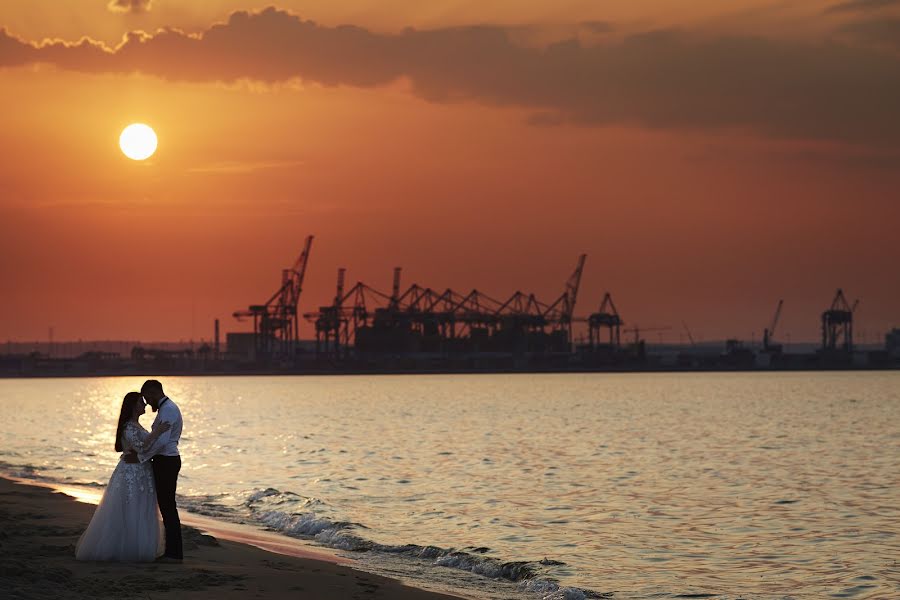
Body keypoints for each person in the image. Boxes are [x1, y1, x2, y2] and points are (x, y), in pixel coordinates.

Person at [75, 392, 171, 561]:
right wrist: (157, 432)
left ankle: (139, 548)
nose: (145, 405)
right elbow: (141, 447)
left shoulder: (136, 425)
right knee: (131, 507)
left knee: (141, 507)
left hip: (141, 472)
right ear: (134, 406)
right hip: (131, 473)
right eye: (142, 402)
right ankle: (127, 549)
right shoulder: (129, 427)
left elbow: (144, 449)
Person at [127, 379, 184, 562]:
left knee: (168, 507)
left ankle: (174, 554)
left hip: (167, 461)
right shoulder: (166, 409)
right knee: (167, 506)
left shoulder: (168, 410)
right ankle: (172, 552)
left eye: (146, 397)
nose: (146, 402)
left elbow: (162, 442)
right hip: (164, 460)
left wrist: (141, 457)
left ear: (153, 393)